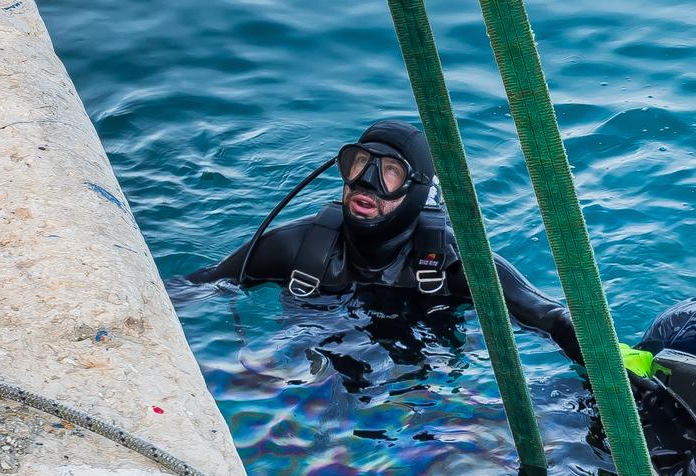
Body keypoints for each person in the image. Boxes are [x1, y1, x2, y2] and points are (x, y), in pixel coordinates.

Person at [188, 119, 580, 362]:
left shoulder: (455, 265)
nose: (367, 181)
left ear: (416, 190)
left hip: (425, 379)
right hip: (315, 362)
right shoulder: (297, 247)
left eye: (390, 172)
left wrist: (614, 377)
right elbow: (195, 291)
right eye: (360, 163)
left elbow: (549, 318)